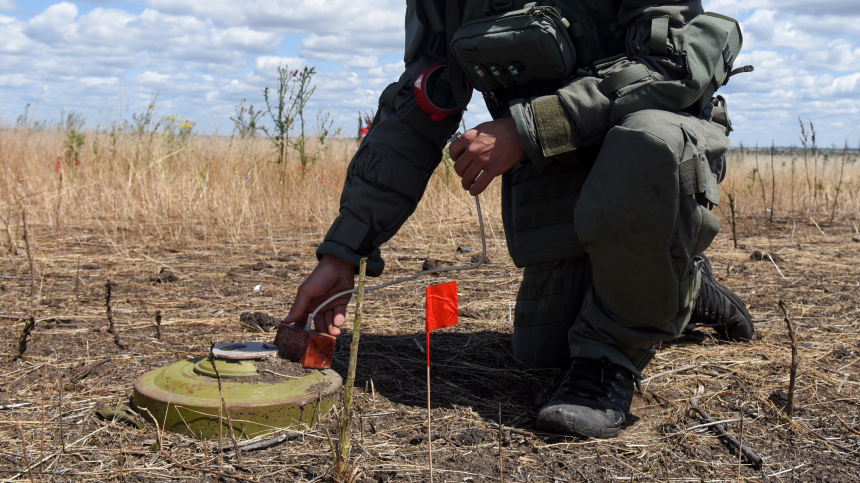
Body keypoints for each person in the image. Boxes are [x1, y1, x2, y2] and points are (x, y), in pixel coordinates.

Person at [284, 0, 754, 439]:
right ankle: (680, 287)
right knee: (542, 352)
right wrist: (345, 251)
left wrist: (528, 128)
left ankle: (612, 360)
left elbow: (672, 66)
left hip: (652, 151)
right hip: (558, 168)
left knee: (648, 141)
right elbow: (419, 106)